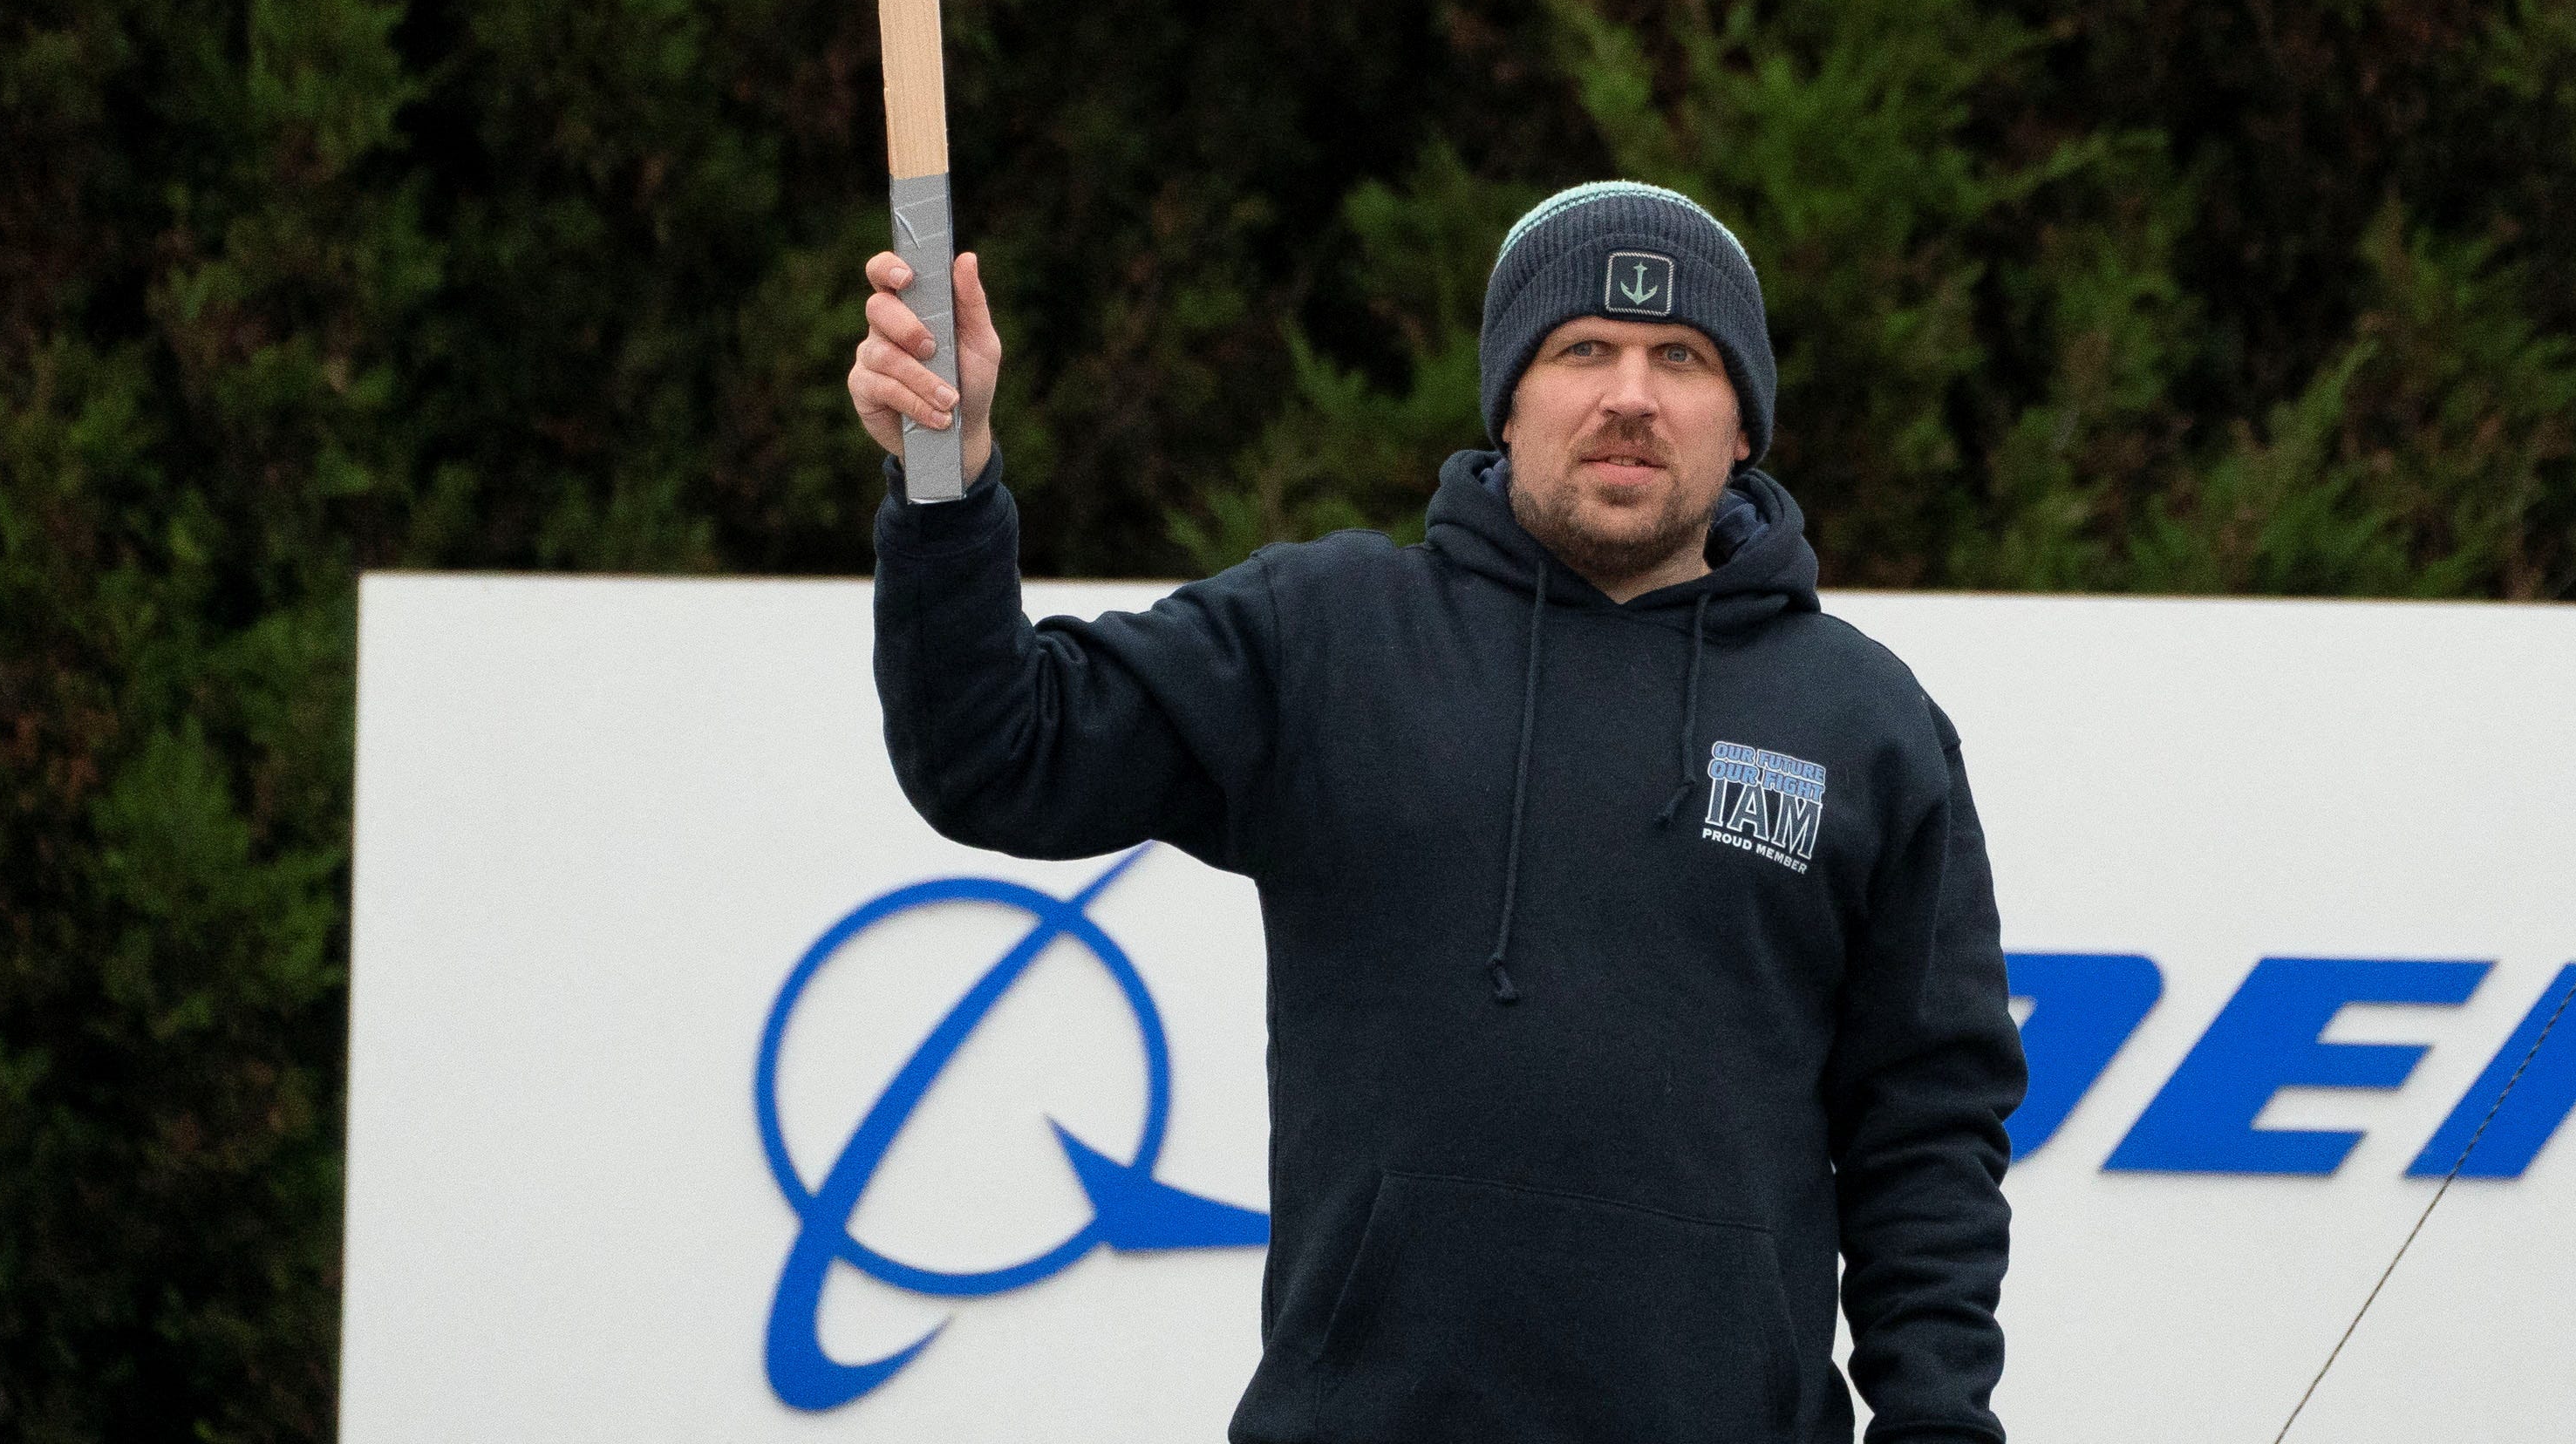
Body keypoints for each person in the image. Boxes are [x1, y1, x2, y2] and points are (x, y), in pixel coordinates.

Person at [851, 179, 2026, 1443]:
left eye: (1680, 358)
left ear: (1743, 423)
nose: (1629, 393)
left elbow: (1928, 1135)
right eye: (1583, 350)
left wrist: (1938, 1425)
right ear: (1509, 400)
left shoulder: (1868, 723)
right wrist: (945, 479)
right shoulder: (1327, 637)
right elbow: (994, 752)